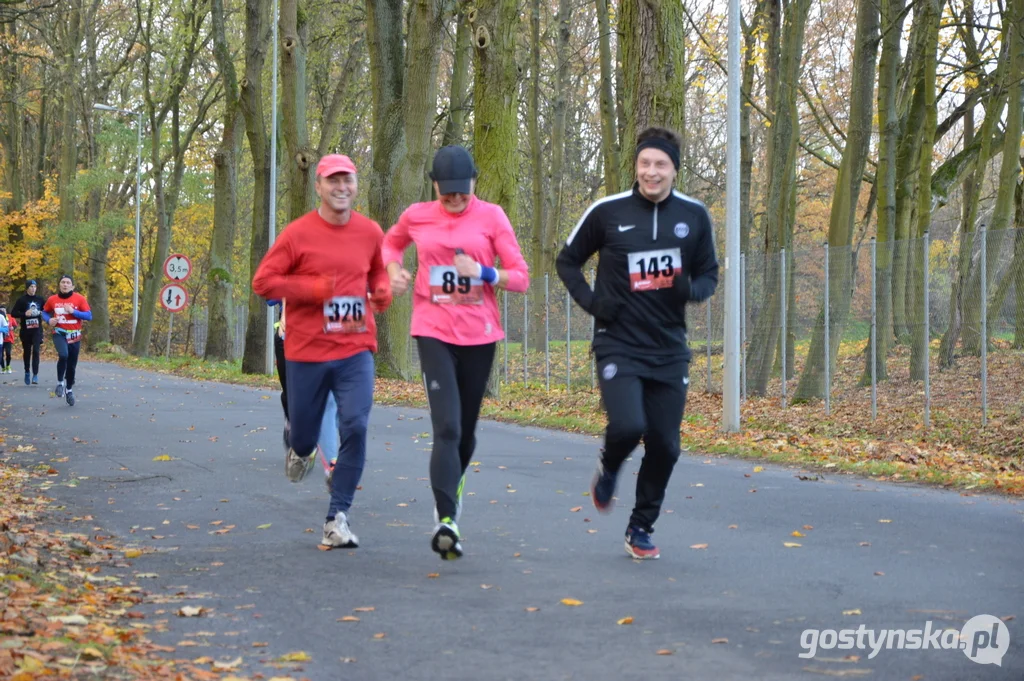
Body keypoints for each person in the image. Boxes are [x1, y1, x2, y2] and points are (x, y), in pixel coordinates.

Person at [555, 126, 719, 560]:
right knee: (628, 426)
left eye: (660, 164)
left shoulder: (694, 216)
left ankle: (641, 526)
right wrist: (592, 302)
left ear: (674, 171)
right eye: (645, 163)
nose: (652, 172)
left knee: (666, 444)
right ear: (636, 167)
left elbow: (709, 275)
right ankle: (609, 465)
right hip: (618, 342)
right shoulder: (607, 212)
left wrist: (690, 289)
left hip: (668, 348)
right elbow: (567, 260)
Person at [382, 145, 529, 560]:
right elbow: (388, 246)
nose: (455, 201)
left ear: (473, 185)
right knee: (446, 427)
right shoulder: (417, 215)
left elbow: (520, 277)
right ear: (435, 187)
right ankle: (446, 520)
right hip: (432, 330)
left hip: (480, 336)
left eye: (462, 194)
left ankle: (452, 488)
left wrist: (483, 272)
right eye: (447, 195)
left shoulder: (492, 216)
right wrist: (394, 271)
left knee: (465, 433)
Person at [252, 153, 392, 550]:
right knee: (305, 433)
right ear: (319, 186)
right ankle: (299, 448)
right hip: (307, 352)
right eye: (333, 180)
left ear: (356, 185)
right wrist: (314, 290)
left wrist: (381, 291)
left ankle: (337, 517)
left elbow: (378, 272)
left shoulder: (370, 232)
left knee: (356, 425)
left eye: (347, 180)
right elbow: (263, 282)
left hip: (355, 348)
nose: (341, 187)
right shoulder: (297, 234)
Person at [268, 298, 340, 490]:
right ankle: (301, 438)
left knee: (331, 400)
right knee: (296, 397)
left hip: (333, 335)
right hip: (293, 336)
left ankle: (332, 465)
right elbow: (268, 292)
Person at [42, 274, 93, 407]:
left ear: (72, 286)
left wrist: (73, 312)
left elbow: (89, 316)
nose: (65, 284)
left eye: (68, 282)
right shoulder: (52, 299)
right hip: (59, 333)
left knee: (71, 365)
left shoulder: (79, 299)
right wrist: (49, 320)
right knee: (63, 355)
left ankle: (69, 390)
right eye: (63, 282)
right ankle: (60, 382)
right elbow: (44, 312)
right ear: (59, 285)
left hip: (75, 336)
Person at [10, 279, 45, 385]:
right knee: (27, 352)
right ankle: (27, 372)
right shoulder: (22, 300)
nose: (33, 289)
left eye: (35, 287)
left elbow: (46, 311)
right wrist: (25, 314)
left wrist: (41, 313)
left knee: (36, 351)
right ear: (27, 288)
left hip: (37, 330)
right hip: (26, 330)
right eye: (31, 287)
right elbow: (13, 313)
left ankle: (35, 374)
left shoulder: (40, 299)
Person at [0, 304, 15, 373]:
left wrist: (13, 328)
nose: (3, 311)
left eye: (4, 310)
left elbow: (15, 325)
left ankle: (8, 366)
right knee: (1, 355)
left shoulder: (10, 317)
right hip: (2, 339)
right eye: (1, 310)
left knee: (8, 353)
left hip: (8, 338)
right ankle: (3, 367)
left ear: (6, 311)